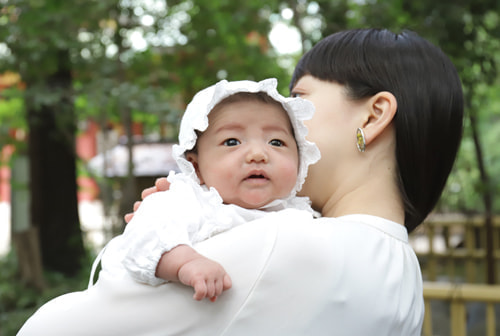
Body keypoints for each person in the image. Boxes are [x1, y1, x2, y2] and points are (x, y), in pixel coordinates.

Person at [18, 28, 463, 336]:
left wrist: (163, 249)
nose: (281, 123)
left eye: (299, 100)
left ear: (373, 115)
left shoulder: (283, 244)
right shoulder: (403, 275)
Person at [89, 78, 320, 302]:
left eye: (276, 142)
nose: (258, 154)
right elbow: (145, 236)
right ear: (196, 166)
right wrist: (186, 263)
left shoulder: (301, 213)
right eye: (232, 142)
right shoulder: (187, 200)